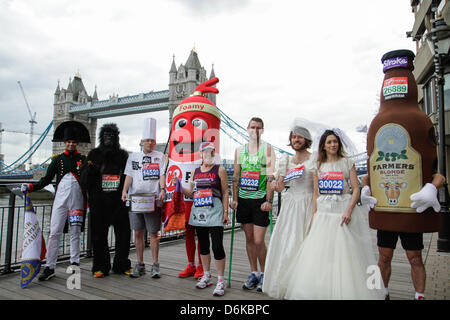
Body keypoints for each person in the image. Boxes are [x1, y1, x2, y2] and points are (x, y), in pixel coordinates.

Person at [283, 129, 385, 299]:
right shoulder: (318, 165)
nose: (333, 145)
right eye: (329, 142)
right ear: (323, 145)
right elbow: (316, 193)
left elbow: (355, 189)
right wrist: (314, 216)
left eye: (335, 142)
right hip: (323, 213)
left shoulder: (347, 162)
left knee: (346, 254)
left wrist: (349, 210)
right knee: (322, 254)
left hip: (341, 212)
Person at [361, 172, 446, 300]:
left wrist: (432, 187)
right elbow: (367, 176)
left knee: (415, 258)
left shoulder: (416, 155)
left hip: (411, 216)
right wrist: (365, 188)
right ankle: (383, 293)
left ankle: (419, 296)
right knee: (384, 257)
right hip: (387, 216)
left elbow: (440, 177)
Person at [21, 121, 89, 281]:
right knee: (54, 232)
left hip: (78, 201)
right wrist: (31, 187)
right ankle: (49, 266)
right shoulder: (57, 160)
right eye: (69, 142)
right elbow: (45, 180)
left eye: (73, 142)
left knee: (75, 232)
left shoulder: (84, 159)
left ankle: (74, 263)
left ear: (77, 143)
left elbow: (90, 181)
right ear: (65, 143)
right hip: (60, 201)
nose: (71, 144)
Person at [262, 123, 315, 299]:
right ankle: (287, 284)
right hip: (291, 205)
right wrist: (275, 184)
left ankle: (304, 286)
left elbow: (317, 188)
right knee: (288, 243)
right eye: (293, 137)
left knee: (306, 243)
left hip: (308, 203)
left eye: (299, 137)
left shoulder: (314, 159)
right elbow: (281, 187)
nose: (295, 140)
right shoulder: (286, 160)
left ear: (306, 140)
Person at [175, 142, 229, 296]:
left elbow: (225, 192)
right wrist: (179, 185)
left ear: (214, 154)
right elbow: (192, 193)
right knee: (203, 245)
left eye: (211, 152)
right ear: (200, 154)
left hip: (215, 210)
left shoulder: (220, 169)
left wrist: (225, 212)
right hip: (199, 211)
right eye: (205, 152)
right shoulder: (195, 171)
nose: (208, 155)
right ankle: (206, 275)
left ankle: (221, 280)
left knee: (217, 246)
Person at [230, 117, 276, 292]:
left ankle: (265, 273)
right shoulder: (239, 151)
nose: (255, 130)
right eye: (252, 127)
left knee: (258, 240)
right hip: (243, 199)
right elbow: (236, 175)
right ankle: (254, 273)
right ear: (247, 128)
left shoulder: (268, 149)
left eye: (258, 128)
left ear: (262, 130)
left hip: (259, 200)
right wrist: (234, 199)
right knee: (249, 239)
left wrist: (269, 200)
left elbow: (270, 176)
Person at [80, 123, 131, 278]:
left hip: (118, 202)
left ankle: (121, 265)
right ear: (101, 137)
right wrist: (89, 171)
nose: (109, 138)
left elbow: (129, 177)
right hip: (99, 202)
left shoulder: (123, 156)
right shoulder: (93, 155)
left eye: (112, 135)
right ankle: (100, 266)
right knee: (98, 236)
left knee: (123, 234)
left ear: (116, 138)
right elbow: (83, 181)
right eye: (106, 135)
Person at [121, 118, 165, 279]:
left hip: (152, 199)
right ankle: (139, 264)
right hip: (135, 200)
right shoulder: (133, 157)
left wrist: (163, 189)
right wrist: (124, 191)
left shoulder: (160, 156)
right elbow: (129, 175)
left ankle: (155, 265)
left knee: (154, 233)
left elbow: (162, 174)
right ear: (141, 142)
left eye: (152, 140)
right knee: (138, 232)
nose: (150, 143)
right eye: (147, 140)